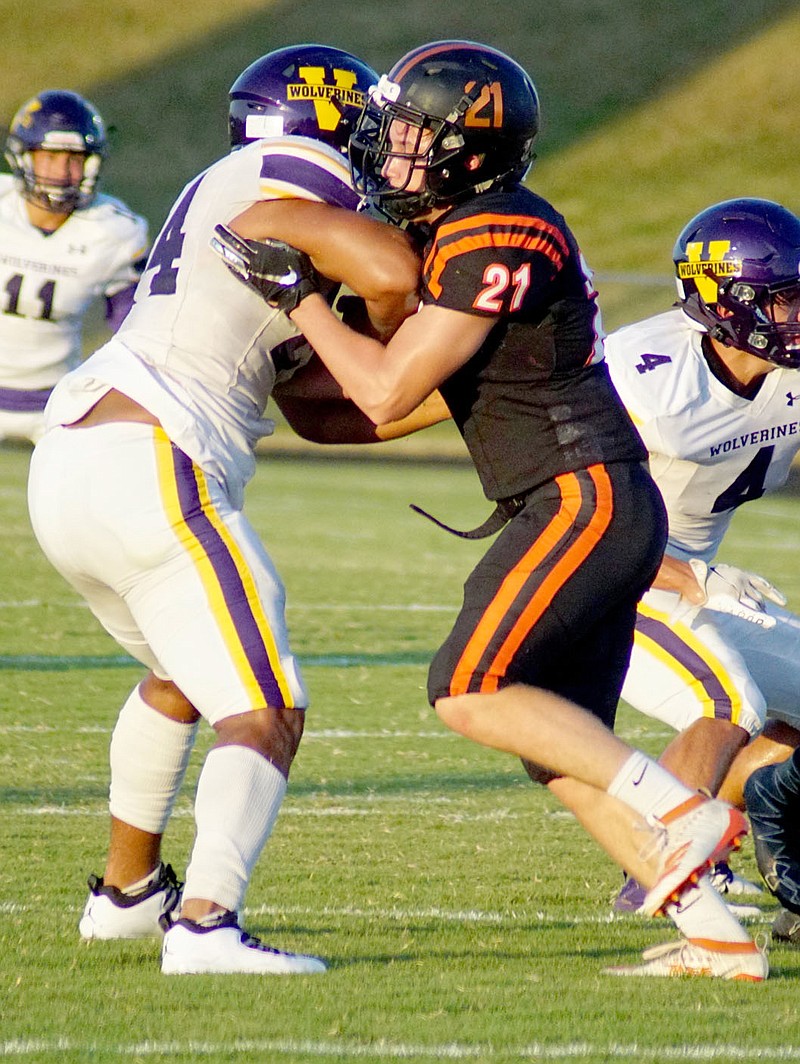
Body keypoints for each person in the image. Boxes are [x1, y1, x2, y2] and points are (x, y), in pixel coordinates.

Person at [233, 40, 766, 980]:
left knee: (468, 687)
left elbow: (392, 391)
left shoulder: (501, 228)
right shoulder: (468, 233)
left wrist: (302, 299)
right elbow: (367, 408)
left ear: (468, 149)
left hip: (581, 496)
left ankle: (687, 810)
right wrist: (287, 354)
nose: (390, 151)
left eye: (410, 135)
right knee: (559, 750)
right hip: (584, 497)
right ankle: (718, 939)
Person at [26, 45, 440, 976]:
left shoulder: (224, 192)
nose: (381, 146)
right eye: (370, 126)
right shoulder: (299, 172)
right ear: (324, 123)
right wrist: (415, 323)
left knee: (187, 677)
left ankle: (127, 897)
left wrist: (440, 391)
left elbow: (332, 411)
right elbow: (391, 273)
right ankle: (206, 926)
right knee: (267, 711)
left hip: (77, 456)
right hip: (154, 458)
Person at [602, 197, 800, 938]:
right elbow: (579, 520)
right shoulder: (638, 373)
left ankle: (747, 829)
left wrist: (698, 580)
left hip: (690, 580)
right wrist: (692, 581)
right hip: (600, 581)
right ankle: (658, 866)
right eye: (785, 298)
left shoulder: (788, 370)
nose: (797, 314)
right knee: (727, 701)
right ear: (728, 302)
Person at [0, 90, 148, 444]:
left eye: (73, 159)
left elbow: (136, 327)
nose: (61, 173)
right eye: (49, 157)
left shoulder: (115, 230)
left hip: (58, 401)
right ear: (24, 158)